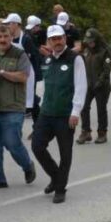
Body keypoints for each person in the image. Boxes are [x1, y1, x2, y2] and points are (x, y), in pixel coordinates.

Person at [0, 23, 36, 189]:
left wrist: (1, 73)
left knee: (11, 142)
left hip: (13, 107)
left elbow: (23, 76)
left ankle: (27, 165)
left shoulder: (20, 54)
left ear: (11, 37)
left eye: (5, 36)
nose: (2, 40)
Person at [32, 24, 87, 203]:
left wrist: (75, 112)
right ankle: (56, 177)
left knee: (65, 152)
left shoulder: (75, 59)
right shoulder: (47, 60)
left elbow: (81, 86)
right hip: (47, 112)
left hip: (65, 114)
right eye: (53, 39)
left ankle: (60, 188)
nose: (57, 42)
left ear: (65, 38)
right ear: (48, 41)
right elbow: (44, 85)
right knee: (37, 146)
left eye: (60, 38)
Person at [76, 28, 111, 145]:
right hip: (88, 84)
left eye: (92, 41)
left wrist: (99, 82)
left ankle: (102, 132)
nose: (90, 43)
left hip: (101, 85)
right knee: (84, 107)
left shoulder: (105, 51)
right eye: (88, 41)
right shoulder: (86, 51)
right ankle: (86, 131)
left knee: (101, 109)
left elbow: (106, 71)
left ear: (97, 39)